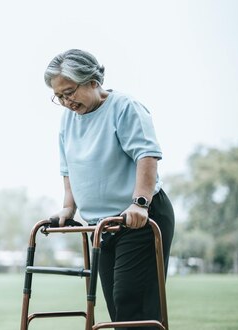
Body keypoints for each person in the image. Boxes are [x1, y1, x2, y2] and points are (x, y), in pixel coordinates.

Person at [44, 49, 175, 329]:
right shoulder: (68, 120)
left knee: (131, 300)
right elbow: (69, 169)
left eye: (69, 92)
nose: (66, 102)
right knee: (118, 307)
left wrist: (140, 202)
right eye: (60, 97)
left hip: (140, 217)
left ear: (92, 80)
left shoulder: (124, 107)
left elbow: (147, 155)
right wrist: (69, 207)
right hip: (102, 226)